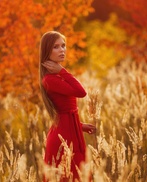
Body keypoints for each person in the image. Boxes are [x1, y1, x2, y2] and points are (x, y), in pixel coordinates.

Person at [39, 31, 96, 181]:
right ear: (46, 51)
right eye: (56, 47)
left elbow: (65, 109)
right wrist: (62, 71)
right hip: (62, 138)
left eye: (63, 46)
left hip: (71, 130)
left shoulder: (56, 76)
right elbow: (81, 92)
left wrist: (80, 125)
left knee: (79, 175)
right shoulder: (50, 79)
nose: (62, 50)